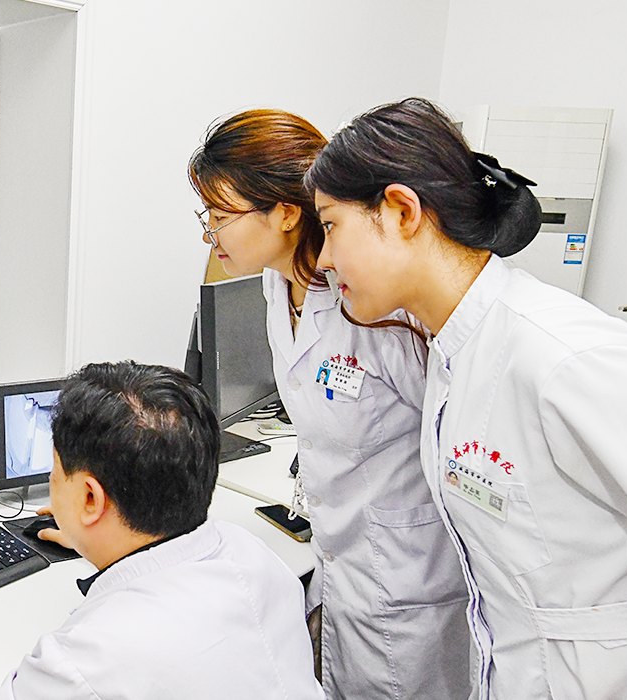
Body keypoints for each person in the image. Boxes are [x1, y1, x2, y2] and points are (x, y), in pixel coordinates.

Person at [306, 97, 627, 699]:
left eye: (330, 226)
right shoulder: (456, 354)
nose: (323, 259)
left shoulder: (563, 356)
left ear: (401, 212)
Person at [188, 109, 469, 698]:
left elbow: (457, 441)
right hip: (340, 559)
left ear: (285, 213)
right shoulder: (274, 285)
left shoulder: (379, 307)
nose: (210, 234)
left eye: (220, 215)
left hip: (411, 579)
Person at [0, 361, 321, 700]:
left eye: (55, 474)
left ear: (90, 499)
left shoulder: (90, 660)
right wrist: (95, 539)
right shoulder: (254, 555)